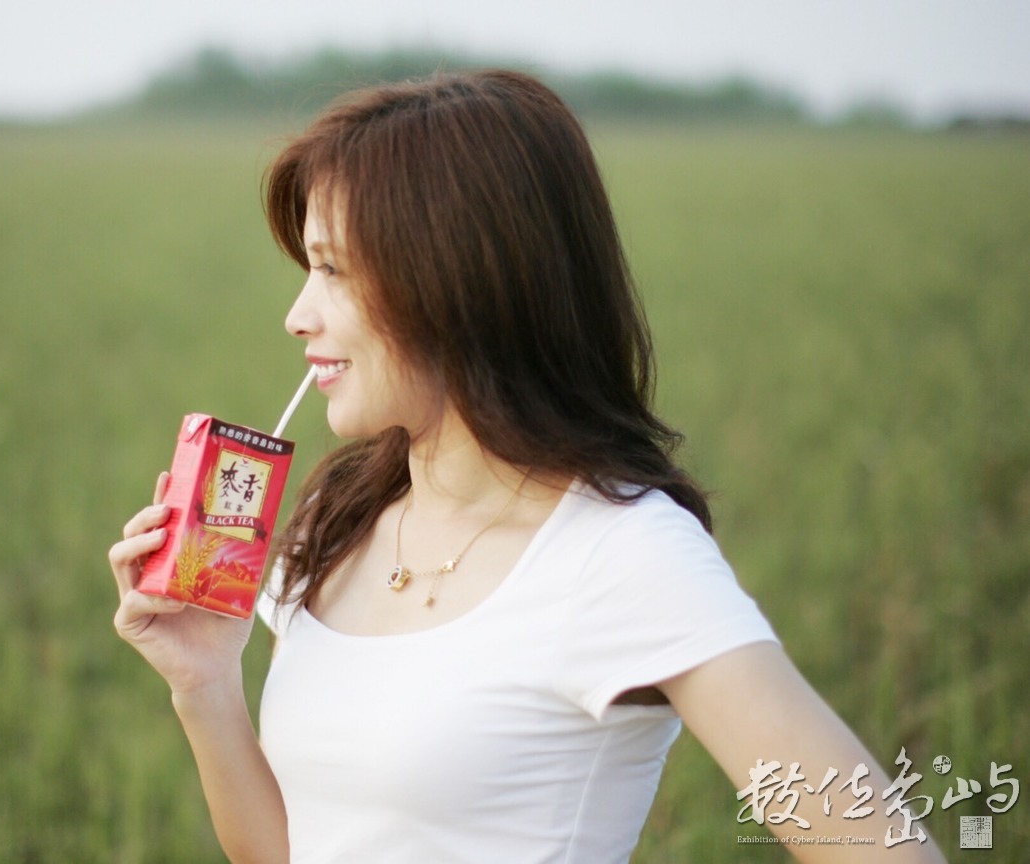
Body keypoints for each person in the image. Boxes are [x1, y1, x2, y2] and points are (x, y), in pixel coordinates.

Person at [108, 70, 946, 863]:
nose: (298, 315)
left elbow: (871, 839)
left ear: (456, 278)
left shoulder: (625, 556)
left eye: (332, 269)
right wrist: (206, 682)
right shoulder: (339, 517)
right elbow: (294, 849)